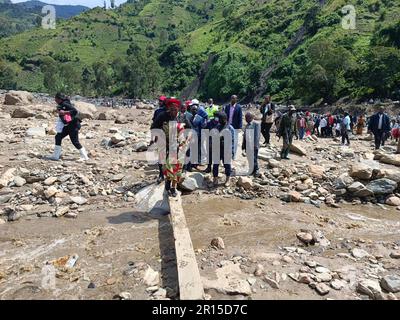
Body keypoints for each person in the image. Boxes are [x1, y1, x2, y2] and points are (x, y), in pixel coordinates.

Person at [151, 98, 191, 197]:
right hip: (163, 141)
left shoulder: (182, 117)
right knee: (163, 162)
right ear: (168, 108)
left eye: (175, 109)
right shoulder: (162, 116)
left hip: (176, 144)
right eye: (171, 109)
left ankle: (171, 187)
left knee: (174, 166)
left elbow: (190, 129)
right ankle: (162, 176)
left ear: (178, 109)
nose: (173, 112)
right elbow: (154, 127)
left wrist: (186, 140)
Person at [47, 93, 89, 161]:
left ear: (59, 99)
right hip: (68, 125)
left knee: (75, 141)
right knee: (58, 137)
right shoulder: (61, 104)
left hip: (73, 125)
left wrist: (64, 112)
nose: (55, 100)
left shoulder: (65, 104)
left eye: (56, 98)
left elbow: (74, 111)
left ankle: (85, 156)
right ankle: (55, 156)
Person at [212, 112, 234, 187]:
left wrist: (232, 151)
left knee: (227, 165)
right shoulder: (217, 127)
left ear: (224, 119)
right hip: (217, 149)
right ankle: (215, 178)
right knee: (215, 164)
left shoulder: (230, 128)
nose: (219, 120)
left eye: (220, 119)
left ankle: (228, 179)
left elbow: (233, 140)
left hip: (226, 150)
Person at [242, 112, 261, 177]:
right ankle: (251, 170)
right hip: (248, 145)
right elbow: (245, 136)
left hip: (253, 145)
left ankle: (256, 170)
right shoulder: (247, 125)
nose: (246, 119)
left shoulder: (256, 124)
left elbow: (257, 136)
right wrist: (243, 145)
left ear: (251, 117)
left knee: (254, 158)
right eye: (245, 117)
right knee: (249, 158)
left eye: (247, 117)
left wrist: (254, 145)